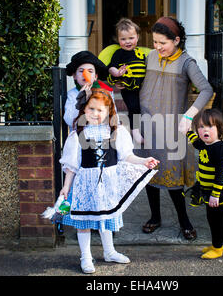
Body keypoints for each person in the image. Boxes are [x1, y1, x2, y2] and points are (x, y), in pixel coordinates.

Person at [56, 88, 159, 274]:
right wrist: (65, 187)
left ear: (109, 111)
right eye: (91, 109)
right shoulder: (78, 135)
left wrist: (144, 161)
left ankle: (109, 251)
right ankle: (86, 257)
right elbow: (72, 165)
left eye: (100, 110)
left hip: (107, 186)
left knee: (106, 219)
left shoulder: (116, 131)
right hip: (85, 185)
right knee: (84, 223)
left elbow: (127, 156)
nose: (95, 114)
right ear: (84, 110)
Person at [138, 17, 214, 241]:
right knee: (148, 172)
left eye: (163, 43)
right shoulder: (151, 56)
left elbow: (206, 90)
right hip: (145, 123)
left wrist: (189, 115)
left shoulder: (186, 62)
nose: (158, 47)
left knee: (172, 180)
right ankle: (155, 217)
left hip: (171, 127)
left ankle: (184, 221)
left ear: (177, 40)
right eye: (155, 42)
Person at [184, 108, 223, 259]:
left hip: (219, 193)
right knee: (211, 220)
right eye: (201, 127)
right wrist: (187, 131)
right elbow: (195, 141)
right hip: (209, 192)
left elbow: (221, 175)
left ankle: (218, 249)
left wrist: (215, 195)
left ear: (219, 129)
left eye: (210, 126)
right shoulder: (205, 144)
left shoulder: (220, 149)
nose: (205, 130)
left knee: (217, 221)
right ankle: (215, 245)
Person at [106, 18, 147, 144]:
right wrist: (117, 73)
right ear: (118, 40)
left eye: (131, 38)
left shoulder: (140, 53)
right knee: (134, 107)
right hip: (128, 87)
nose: (127, 42)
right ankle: (135, 131)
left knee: (144, 108)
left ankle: (145, 130)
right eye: (123, 39)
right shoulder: (119, 53)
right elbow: (111, 67)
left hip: (142, 86)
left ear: (137, 37)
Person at [64, 51, 114, 129]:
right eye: (81, 71)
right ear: (74, 76)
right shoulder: (72, 94)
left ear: (95, 77)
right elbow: (70, 121)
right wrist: (80, 99)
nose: (85, 74)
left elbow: (113, 118)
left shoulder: (106, 93)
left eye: (90, 71)